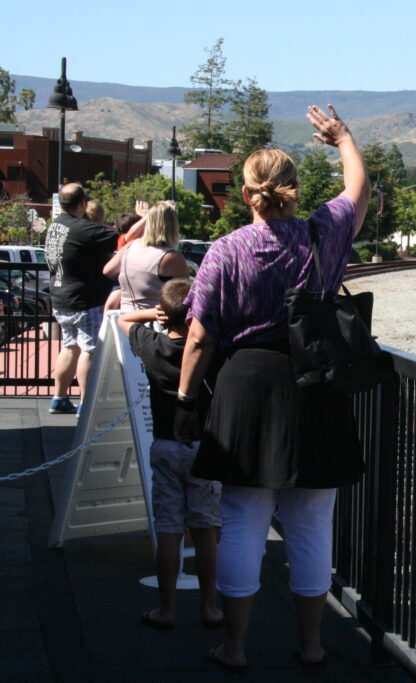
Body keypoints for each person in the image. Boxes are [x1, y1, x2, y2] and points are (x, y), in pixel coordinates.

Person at [178, 104, 370, 671]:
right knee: (312, 524)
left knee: (241, 521)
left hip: (247, 389)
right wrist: (343, 137)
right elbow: (358, 189)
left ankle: (234, 646)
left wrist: (187, 401)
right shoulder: (323, 235)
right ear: (293, 190)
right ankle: (311, 645)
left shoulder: (225, 252)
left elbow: (198, 338)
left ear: (247, 196)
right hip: (315, 385)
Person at [116, 279, 222, 630]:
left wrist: (154, 312)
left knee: (169, 530)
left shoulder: (152, 346)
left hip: (165, 445)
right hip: (203, 447)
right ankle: (208, 607)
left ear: (165, 318)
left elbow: (124, 320)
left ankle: (167, 609)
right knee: (206, 529)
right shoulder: (211, 348)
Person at [44, 183, 117, 414]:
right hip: (83, 300)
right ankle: (86, 404)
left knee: (70, 347)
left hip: (60, 296)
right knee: (90, 350)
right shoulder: (81, 228)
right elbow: (121, 237)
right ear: (82, 203)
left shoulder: (55, 225)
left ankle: (59, 398)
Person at [104, 201, 190, 312]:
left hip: (124, 320)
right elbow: (186, 297)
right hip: (154, 322)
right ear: (173, 226)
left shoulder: (130, 246)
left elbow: (108, 271)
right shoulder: (171, 257)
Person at [103, 211, 143, 314]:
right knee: (112, 303)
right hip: (122, 284)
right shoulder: (125, 239)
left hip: (122, 283)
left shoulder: (123, 239)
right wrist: (146, 217)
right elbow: (133, 232)